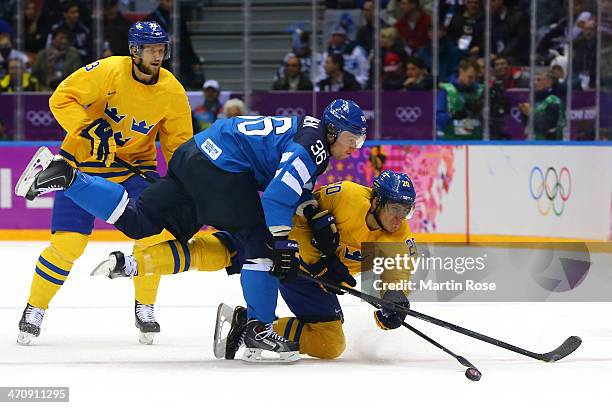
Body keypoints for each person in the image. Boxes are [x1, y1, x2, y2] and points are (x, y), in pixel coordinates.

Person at [17, 99, 367, 361]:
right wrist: (284, 242)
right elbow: (276, 197)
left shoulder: (308, 129)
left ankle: (68, 176)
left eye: (361, 141)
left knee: (141, 222)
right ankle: (260, 328)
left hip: (194, 154)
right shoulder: (315, 147)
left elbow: (289, 184)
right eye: (352, 139)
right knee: (261, 245)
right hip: (222, 169)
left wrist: (313, 216)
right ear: (333, 130)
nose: (354, 148)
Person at [15, 21, 193, 346]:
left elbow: (179, 144)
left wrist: (185, 180)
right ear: (134, 50)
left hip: (134, 168)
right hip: (80, 165)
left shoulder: (172, 91)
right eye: (151, 49)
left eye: (161, 49)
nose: (157, 55)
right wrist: (89, 127)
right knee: (68, 245)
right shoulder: (109, 71)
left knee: (153, 236)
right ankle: (34, 308)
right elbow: (62, 97)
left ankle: (145, 305)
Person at [216, 171, 417, 361]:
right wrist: (318, 264)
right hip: (287, 253)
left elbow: (398, 272)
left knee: (330, 343)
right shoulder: (347, 196)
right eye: (395, 208)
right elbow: (300, 218)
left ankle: (248, 326)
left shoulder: (400, 235)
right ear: (376, 202)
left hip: (314, 281)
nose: (399, 218)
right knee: (226, 250)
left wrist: (394, 298)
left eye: (406, 211)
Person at [436, 58, 483, 140]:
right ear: (461, 71)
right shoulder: (447, 90)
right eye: (470, 77)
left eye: (476, 78)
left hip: (475, 141)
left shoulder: (480, 91)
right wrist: (453, 115)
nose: (473, 81)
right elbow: (437, 119)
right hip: (451, 140)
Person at [518, 69, 565, 140]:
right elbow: (529, 127)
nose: (535, 83)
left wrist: (529, 112)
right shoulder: (536, 99)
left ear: (549, 82)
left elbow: (545, 127)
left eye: (539, 80)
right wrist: (524, 113)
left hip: (550, 146)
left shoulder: (554, 101)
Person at [31, 27, 82, 91]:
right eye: (61, 38)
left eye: (66, 38)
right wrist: (49, 64)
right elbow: (35, 73)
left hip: (67, 89)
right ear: (53, 39)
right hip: (45, 89)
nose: (64, 41)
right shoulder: (43, 54)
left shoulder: (74, 55)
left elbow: (77, 74)